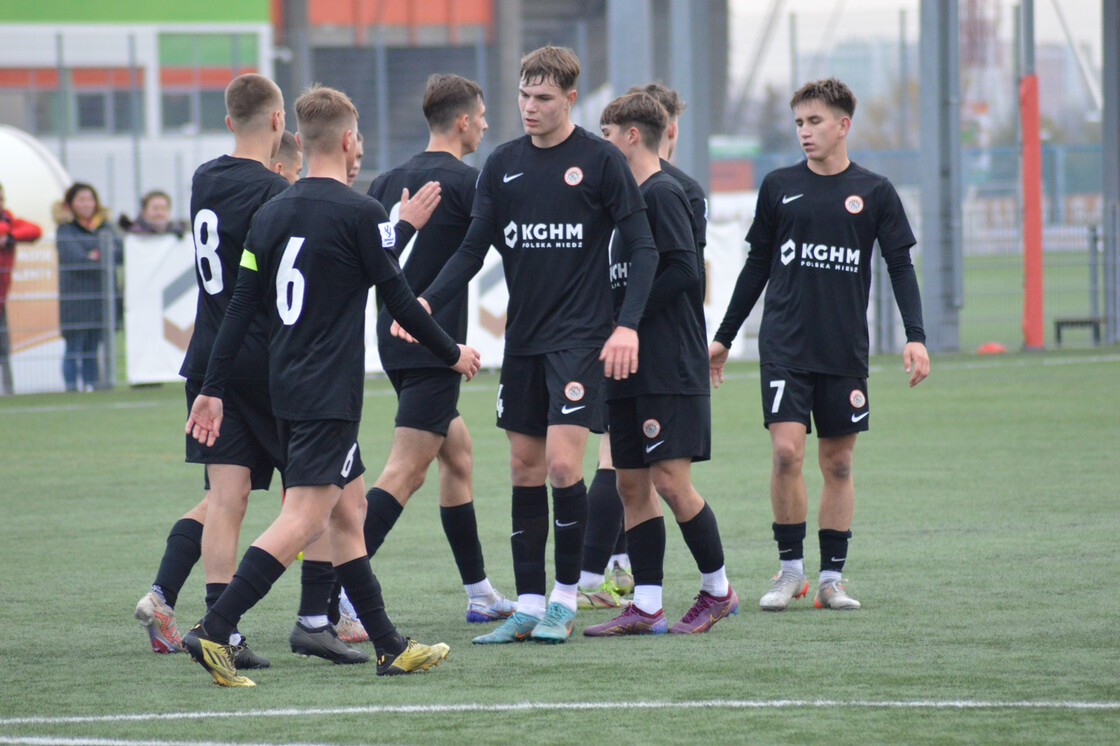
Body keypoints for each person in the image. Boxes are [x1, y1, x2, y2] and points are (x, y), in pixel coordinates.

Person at [182, 84, 478, 686]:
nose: (361, 146)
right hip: (326, 392)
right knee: (305, 518)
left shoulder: (273, 211)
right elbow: (398, 295)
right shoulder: (359, 212)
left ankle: (389, 645)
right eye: (360, 136)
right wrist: (451, 354)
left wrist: (212, 387)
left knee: (350, 512)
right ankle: (215, 628)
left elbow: (239, 309)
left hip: (284, 385)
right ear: (347, 141)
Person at [400, 46, 659, 645]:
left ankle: (565, 601)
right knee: (523, 467)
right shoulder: (502, 164)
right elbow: (471, 250)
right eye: (523, 95)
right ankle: (528, 604)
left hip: (581, 340)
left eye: (543, 98)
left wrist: (628, 325)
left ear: (570, 98)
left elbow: (643, 248)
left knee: (565, 466)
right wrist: (424, 302)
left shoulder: (600, 161)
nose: (529, 108)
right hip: (524, 342)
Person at [708, 78, 930, 612]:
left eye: (815, 122)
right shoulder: (779, 185)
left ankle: (831, 579)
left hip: (844, 348)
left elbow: (899, 265)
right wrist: (724, 336)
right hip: (784, 343)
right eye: (800, 123)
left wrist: (915, 337)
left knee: (839, 465)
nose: (805, 132)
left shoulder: (875, 191)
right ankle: (790, 572)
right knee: (786, 452)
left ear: (843, 125)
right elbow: (756, 265)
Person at [352, 73, 513, 628]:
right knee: (405, 471)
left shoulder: (387, 179)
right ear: (464, 120)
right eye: (484, 115)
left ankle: (480, 593)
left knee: (458, 455)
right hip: (432, 343)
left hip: (392, 338)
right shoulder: (471, 182)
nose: (488, 125)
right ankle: (339, 594)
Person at [581, 92, 736, 637]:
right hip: (625, 366)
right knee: (630, 484)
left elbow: (684, 273)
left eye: (606, 132)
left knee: (671, 481)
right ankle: (646, 604)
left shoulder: (664, 193)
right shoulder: (620, 202)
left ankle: (717, 589)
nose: (600, 142)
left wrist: (627, 317)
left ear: (630, 135)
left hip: (668, 362)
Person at [54, 182, 121, 391]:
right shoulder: (65, 230)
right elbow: (76, 258)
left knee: (93, 347)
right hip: (75, 300)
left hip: (101, 299)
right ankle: (72, 388)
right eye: (81, 199)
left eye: (90, 199)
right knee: (74, 347)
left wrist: (95, 255)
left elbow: (120, 253)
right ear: (70, 204)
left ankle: (93, 385)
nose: (86, 204)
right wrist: (101, 252)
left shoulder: (105, 226)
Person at [0, 182, 42, 396]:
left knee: (3, 347)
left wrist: (10, 237)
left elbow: (35, 230)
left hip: (1, 299)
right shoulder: (6, 224)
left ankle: (8, 390)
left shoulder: (9, 221)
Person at [119, 190, 188, 238]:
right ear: (144, 211)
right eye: (155, 208)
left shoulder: (180, 233)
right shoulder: (130, 235)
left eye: (163, 208)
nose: (160, 213)